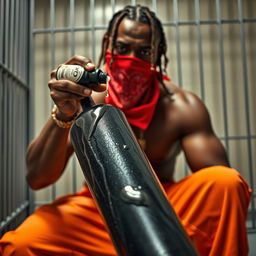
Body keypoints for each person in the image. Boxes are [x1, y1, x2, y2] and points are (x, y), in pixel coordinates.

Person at [0, 5, 251, 256]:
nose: (132, 59)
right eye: (122, 48)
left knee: (227, 181)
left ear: (158, 53)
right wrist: (64, 114)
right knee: (21, 244)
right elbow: (37, 178)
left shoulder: (181, 108)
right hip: (100, 209)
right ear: (107, 44)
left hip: (166, 207)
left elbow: (221, 193)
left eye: (144, 52)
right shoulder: (84, 99)